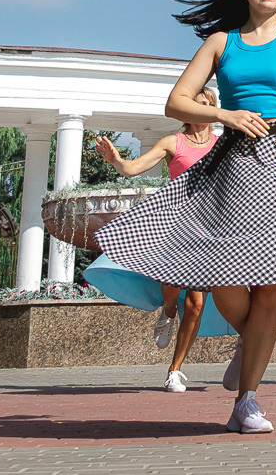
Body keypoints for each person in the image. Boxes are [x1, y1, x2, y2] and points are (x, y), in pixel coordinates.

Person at [85, 0, 276, 435]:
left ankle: (247, 402)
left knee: (272, 284)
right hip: (234, 164)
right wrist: (225, 116)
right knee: (224, 276)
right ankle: (250, 342)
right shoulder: (222, 42)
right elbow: (176, 100)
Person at [94, 84, 223, 393]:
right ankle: (167, 312)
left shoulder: (222, 145)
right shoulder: (173, 142)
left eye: (207, 104)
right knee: (173, 289)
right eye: (197, 105)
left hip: (208, 231)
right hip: (177, 227)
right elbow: (133, 168)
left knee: (195, 303)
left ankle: (175, 370)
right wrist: (116, 160)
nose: (202, 110)